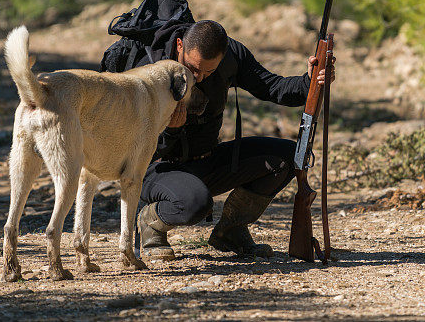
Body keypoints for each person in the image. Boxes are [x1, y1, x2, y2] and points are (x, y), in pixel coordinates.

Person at [128, 18, 334, 260]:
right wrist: (171, 131)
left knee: (289, 157)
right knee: (195, 203)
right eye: (193, 69)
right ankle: (150, 222)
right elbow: (134, 149)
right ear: (180, 46)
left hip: (206, 161)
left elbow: (272, 88)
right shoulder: (150, 67)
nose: (199, 77)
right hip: (155, 169)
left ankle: (230, 231)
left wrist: (309, 81)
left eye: (209, 71)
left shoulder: (232, 55)